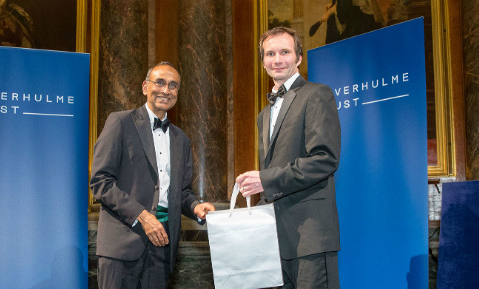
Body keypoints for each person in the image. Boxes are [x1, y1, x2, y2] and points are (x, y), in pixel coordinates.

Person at [90, 62, 216, 289]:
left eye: (173, 85)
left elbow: (181, 191)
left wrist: (196, 206)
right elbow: (101, 182)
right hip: (121, 246)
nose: (166, 90)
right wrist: (143, 216)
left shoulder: (181, 139)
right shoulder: (120, 122)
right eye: (160, 82)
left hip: (163, 248)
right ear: (145, 87)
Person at [236, 27, 342, 289]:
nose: (277, 59)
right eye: (270, 54)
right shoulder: (264, 114)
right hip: (274, 239)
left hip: (311, 235)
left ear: (299, 58)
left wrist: (265, 179)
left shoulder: (317, 94)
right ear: (263, 62)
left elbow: (325, 159)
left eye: (285, 52)